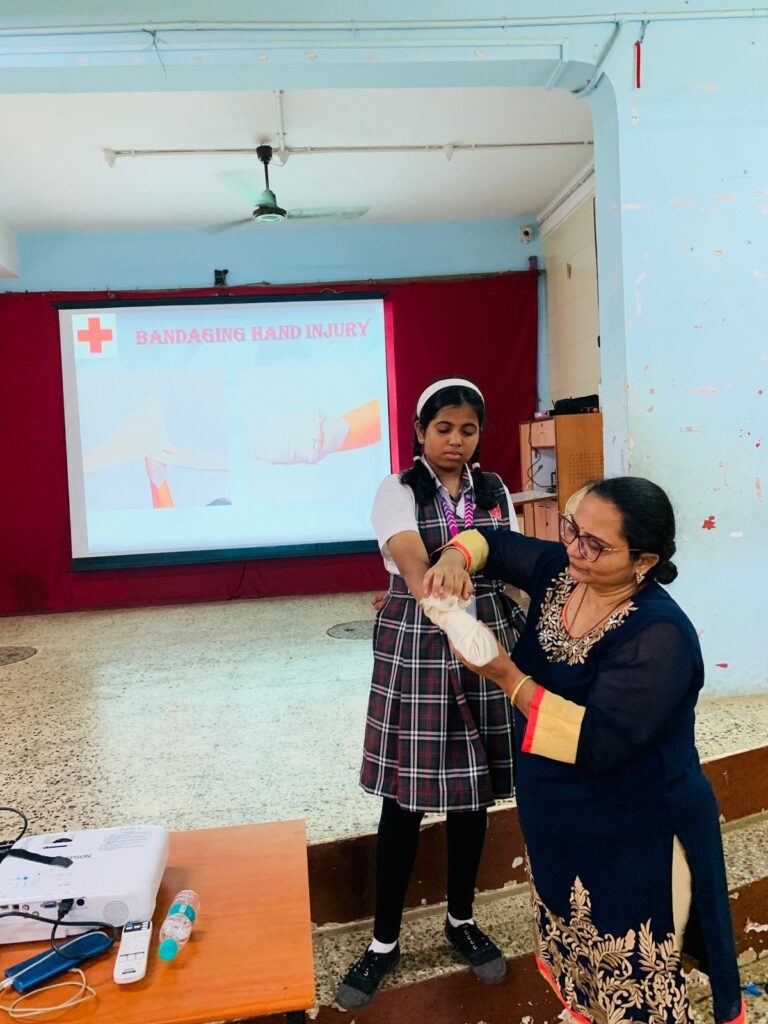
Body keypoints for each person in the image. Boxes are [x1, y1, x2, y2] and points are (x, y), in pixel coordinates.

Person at [424, 477, 744, 1024]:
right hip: (559, 816)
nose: (575, 548)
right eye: (572, 530)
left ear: (644, 560)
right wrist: (455, 557)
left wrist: (505, 675)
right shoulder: (563, 573)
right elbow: (493, 543)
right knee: (580, 963)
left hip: (634, 830)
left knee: (636, 983)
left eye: (596, 544)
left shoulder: (659, 635)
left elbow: (596, 742)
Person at [335, 378, 526, 1011]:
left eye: (468, 430)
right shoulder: (398, 489)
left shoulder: (493, 490)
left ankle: (461, 920)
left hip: (488, 634)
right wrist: (450, 574)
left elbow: (508, 557)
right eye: (443, 428)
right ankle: (384, 941)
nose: (455, 440)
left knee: (473, 792)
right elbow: (417, 569)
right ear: (420, 432)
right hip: (420, 639)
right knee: (405, 797)